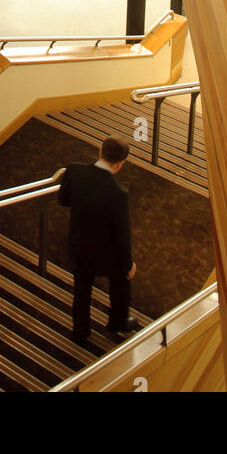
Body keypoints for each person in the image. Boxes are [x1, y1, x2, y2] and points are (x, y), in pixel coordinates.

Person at [58, 136, 139, 345]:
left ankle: (80, 330)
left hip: (79, 247)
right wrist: (128, 264)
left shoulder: (73, 171)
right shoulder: (118, 194)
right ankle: (118, 322)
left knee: (81, 289)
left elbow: (63, 200)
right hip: (107, 254)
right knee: (121, 281)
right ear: (120, 164)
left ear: (99, 152)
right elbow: (122, 236)